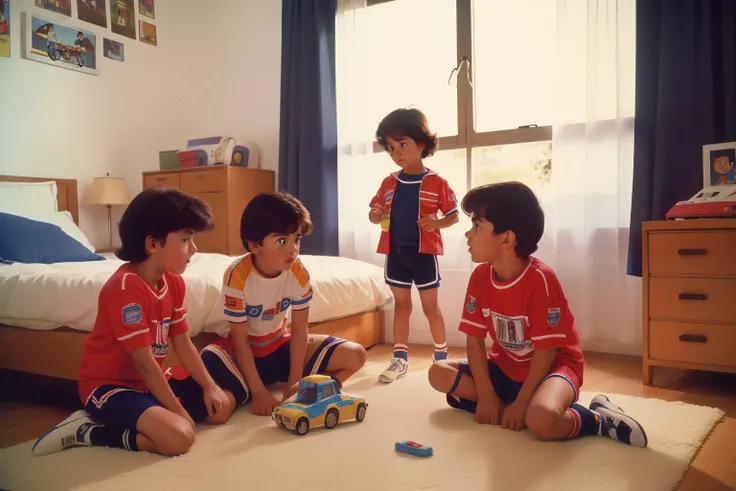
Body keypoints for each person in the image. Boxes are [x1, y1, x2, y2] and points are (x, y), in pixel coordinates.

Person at [428, 182, 648, 447]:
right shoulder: (480, 277)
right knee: (438, 373)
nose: (467, 234)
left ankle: (598, 419)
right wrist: (486, 394)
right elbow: (474, 339)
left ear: (507, 238)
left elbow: (547, 351)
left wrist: (522, 404)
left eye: (476, 226)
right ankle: (505, 404)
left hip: (553, 367)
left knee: (542, 421)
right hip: (505, 368)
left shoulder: (541, 279)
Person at [32, 188, 246, 457]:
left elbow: (182, 342)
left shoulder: (174, 282)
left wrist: (209, 386)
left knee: (221, 406)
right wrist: (179, 413)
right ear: (152, 244)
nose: (193, 249)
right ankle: (87, 430)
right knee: (179, 437)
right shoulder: (125, 288)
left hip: (146, 386)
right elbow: (144, 363)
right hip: (110, 386)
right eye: (185, 239)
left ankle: (159, 414)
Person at [203, 192, 367, 417]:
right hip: (244, 353)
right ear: (255, 244)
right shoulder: (237, 276)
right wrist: (259, 392)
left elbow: (300, 330)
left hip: (280, 348)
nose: (293, 249)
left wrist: (294, 382)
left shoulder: (298, 272)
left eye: (296, 239)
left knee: (356, 355)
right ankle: (248, 391)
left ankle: (319, 390)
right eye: (282, 241)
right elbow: (239, 341)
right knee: (216, 406)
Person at [369, 108, 459, 383]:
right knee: (402, 306)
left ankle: (441, 358)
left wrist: (437, 224)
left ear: (421, 144)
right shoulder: (389, 181)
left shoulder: (436, 182)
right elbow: (376, 210)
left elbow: (454, 215)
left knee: (431, 308)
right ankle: (400, 360)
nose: (397, 153)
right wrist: (375, 215)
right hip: (395, 253)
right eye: (391, 148)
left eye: (403, 144)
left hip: (424, 255)